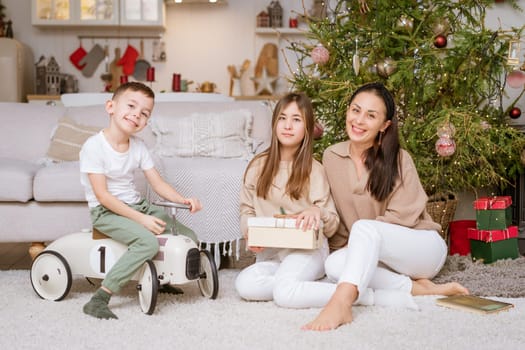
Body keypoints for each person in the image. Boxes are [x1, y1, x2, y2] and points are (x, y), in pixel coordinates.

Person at [303, 82, 468, 331]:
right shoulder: (331, 156)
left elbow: (402, 217)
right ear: (347, 111)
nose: (359, 120)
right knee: (334, 265)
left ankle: (341, 303)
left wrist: (361, 239)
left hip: (420, 247)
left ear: (384, 125)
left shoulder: (399, 159)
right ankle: (418, 288)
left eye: (371, 115)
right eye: (355, 110)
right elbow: (334, 211)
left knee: (363, 231)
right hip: (374, 251)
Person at [79, 82, 202, 319]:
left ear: (146, 122)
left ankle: (163, 278)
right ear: (111, 106)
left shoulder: (138, 146)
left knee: (187, 236)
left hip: (137, 207)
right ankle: (101, 297)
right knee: (148, 242)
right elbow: (103, 196)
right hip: (106, 212)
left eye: (144, 113)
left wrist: (183, 199)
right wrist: (141, 219)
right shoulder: (94, 147)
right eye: (131, 105)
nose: (137, 114)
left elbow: (158, 183)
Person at [235, 92, 340, 308]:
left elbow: (332, 225)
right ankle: (294, 284)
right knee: (245, 285)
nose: (287, 126)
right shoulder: (257, 166)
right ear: (274, 124)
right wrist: (249, 232)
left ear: (307, 129)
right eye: (282, 118)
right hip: (271, 254)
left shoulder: (315, 170)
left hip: (309, 251)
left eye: (296, 119)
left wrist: (317, 211)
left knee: (284, 294)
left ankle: (355, 293)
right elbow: (246, 210)